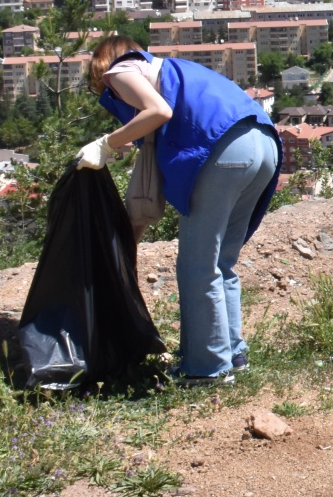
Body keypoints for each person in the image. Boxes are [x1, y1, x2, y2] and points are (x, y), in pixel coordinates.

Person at [78, 36, 282, 386]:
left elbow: (158, 112)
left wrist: (106, 143)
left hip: (225, 151)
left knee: (197, 265)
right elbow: (146, 194)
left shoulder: (121, 69)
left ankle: (207, 368)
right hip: (263, 143)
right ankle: (232, 353)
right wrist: (127, 246)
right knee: (221, 262)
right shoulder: (170, 72)